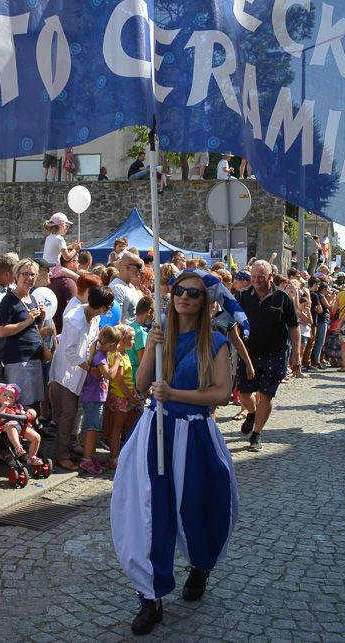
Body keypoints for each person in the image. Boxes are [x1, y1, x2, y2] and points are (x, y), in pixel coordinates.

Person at [112, 269, 238, 636]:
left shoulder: (215, 342)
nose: (184, 297)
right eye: (179, 290)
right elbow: (141, 385)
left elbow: (220, 393)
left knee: (199, 506)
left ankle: (200, 565)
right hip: (155, 431)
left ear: (206, 302)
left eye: (194, 293)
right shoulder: (160, 335)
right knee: (150, 511)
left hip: (195, 434)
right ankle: (150, 596)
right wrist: (151, 347)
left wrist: (174, 394)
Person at [47, 285, 115, 471]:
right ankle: (61, 455)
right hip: (66, 374)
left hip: (80, 372)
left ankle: (71, 445)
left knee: (76, 412)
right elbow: (69, 352)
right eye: (109, 305)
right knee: (68, 414)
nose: (110, 308)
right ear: (102, 306)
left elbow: (92, 342)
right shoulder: (75, 321)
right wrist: (90, 369)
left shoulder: (95, 317)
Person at [235, 260, 300, 452]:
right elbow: (232, 322)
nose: (255, 280)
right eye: (253, 277)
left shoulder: (282, 297)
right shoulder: (242, 296)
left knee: (266, 395)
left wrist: (296, 353)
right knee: (244, 394)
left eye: (260, 277)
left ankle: (256, 434)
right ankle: (252, 413)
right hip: (248, 353)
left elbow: (294, 326)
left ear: (270, 277)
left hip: (275, 353)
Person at [0, 259, 47, 409]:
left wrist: (42, 318)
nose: (29, 278)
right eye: (25, 274)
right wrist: (27, 321)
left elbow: (34, 329)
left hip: (35, 358)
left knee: (35, 406)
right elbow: (1, 331)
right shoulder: (9, 300)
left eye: (33, 274)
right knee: (21, 406)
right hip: (18, 360)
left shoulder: (33, 299)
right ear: (16, 276)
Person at [80, 324, 120, 474]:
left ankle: (90, 456)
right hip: (93, 397)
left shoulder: (102, 355)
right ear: (111, 344)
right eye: (116, 344)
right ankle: (86, 460)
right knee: (92, 429)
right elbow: (109, 375)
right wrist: (117, 361)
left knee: (95, 428)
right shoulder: (100, 356)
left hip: (97, 397)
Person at [105, 325, 139, 469]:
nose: (133, 341)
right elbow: (119, 380)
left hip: (124, 396)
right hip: (120, 397)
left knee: (121, 428)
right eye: (131, 338)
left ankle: (119, 455)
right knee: (117, 429)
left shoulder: (125, 355)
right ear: (122, 339)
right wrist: (131, 397)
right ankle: (114, 458)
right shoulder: (117, 356)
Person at [0, 383, 43, 467]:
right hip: (6, 426)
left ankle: (32, 457)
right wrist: (3, 407)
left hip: (21, 426)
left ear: (14, 400)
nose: (7, 398)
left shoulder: (18, 407)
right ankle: (18, 448)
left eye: (11, 397)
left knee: (37, 437)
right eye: (5, 395)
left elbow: (24, 413)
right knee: (12, 428)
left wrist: (28, 413)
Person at [42, 213, 81, 280]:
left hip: (46, 269)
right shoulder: (60, 239)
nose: (67, 228)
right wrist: (75, 249)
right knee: (78, 278)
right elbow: (67, 257)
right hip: (55, 269)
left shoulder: (49, 238)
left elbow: (57, 250)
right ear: (62, 226)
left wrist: (71, 246)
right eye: (67, 226)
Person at [110, 250, 144, 325]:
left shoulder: (131, 286)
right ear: (128, 267)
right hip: (124, 332)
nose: (140, 270)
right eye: (138, 266)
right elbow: (117, 322)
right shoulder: (116, 288)